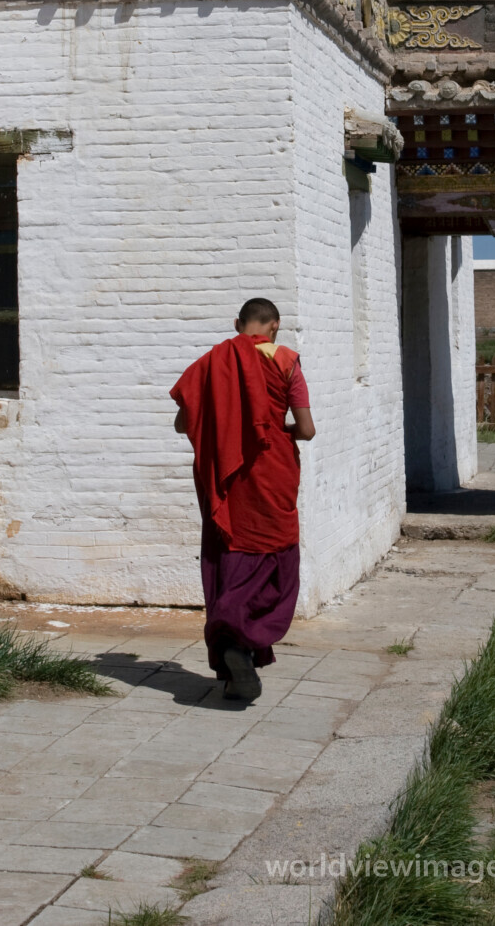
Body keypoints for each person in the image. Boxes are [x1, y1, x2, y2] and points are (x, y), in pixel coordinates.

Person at [171, 298, 315, 701]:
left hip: (228, 477)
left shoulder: (211, 363)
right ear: (275, 326)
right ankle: (239, 647)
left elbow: (184, 423)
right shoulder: (287, 362)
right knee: (275, 557)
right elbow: (306, 429)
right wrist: (270, 426)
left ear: (238, 324)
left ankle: (236, 662)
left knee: (231, 552)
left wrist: (227, 429)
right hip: (274, 473)